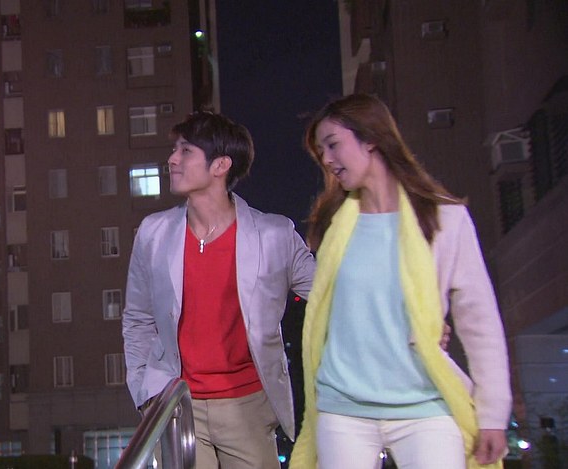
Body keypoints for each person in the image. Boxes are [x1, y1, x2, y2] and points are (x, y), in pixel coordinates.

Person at [290, 94, 512, 469]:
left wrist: (493, 415)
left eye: (333, 144)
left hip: (424, 404)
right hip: (343, 407)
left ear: (371, 138)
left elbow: (480, 320)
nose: (326, 159)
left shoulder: (445, 220)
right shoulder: (334, 225)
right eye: (321, 151)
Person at [122, 111, 317, 469]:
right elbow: (137, 318)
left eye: (186, 151)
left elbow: (329, 295)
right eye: (175, 150)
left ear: (221, 165)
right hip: (180, 405)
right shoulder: (153, 233)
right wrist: (145, 393)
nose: (172, 159)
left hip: (249, 405)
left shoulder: (274, 235)